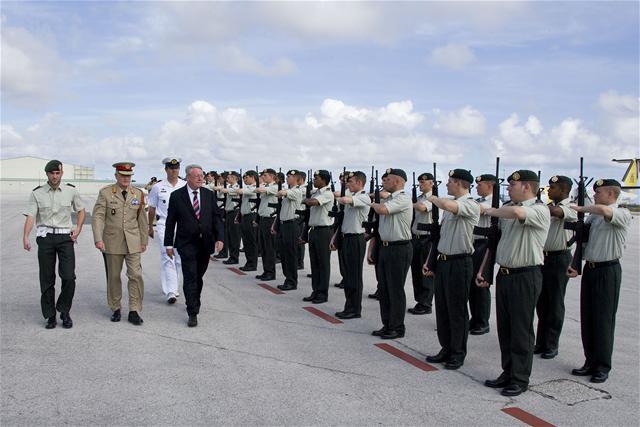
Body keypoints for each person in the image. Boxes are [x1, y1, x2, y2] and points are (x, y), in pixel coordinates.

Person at [477, 169, 550, 397]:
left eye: (512, 186)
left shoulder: (538, 210)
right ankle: (507, 372)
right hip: (505, 274)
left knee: (521, 329)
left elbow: (518, 212)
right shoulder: (508, 210)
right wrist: (484, 270)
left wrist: (490, 209)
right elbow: (495, 243)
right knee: (505, 329)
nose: (508, 189)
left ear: (526, 187)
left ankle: (519, 378)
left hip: (525, 275)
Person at [568, 179, 631, 384]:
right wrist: (575, 263)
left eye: (599, 192)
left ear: (611, 194)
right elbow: (583, 240)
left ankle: (602, 366)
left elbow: (603, 211)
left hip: (608, 270)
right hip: (591, 269)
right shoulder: (594, 216)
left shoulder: (620, 213)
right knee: (588, 318)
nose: (595, 194)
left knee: (603, 320)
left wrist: (580, 207)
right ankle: (590, 361)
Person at [424, 169, 480, 370]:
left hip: (460, 262)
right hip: (444, 261)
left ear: (460, 183)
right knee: (443, 308)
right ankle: (445, 348)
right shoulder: (450, 206)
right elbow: (441, 237)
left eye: (450, 181)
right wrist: (432, 261)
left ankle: (457, 352)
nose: (447, 184)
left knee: (457, 310)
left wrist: (429, 195)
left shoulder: (470, 204)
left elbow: (447, 204)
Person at [22, 160, 85, 329]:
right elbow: (30, 216)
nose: (55, 176)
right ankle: (50, 315)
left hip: (65, 238)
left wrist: (78, 228)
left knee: (68, 277)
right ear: (47, 174)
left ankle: (64, 310)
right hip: (46, 238)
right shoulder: (37, 193)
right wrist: (25, 237)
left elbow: (81, 210)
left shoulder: (71, 191)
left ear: (61, 174)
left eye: (58, 173)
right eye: (52, 173)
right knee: (47, 278)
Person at [164, 164, 224, 327]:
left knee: (198, 276)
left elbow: (216, 217)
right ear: (188, 177)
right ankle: (193, 311)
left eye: (202, 175)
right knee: (190, 276)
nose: (200, 178)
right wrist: (168, 244)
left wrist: (220, 238)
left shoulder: (208, 194)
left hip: (205, 243)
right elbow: (171, 221)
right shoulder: (177, 196)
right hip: (186, 243)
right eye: (196, 176)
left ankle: (194, 300)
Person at [92, 162, 148, 325]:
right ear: (116, 176)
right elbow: (98, 217)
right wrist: (98, 238)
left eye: (128, 176)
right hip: (112, 241)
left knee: (135, 275)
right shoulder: (106, 193)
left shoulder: (137, 193)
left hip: (133, 241)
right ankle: (115, 307)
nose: (126, 179)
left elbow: (142, 220)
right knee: (114, 276)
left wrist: (143, 240)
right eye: (122, 175)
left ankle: (134, 309)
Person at [534, 175, 577, 359]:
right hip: (544, 258)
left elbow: (557, 213)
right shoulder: (549, 206)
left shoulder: (571, 207)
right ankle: (541, 342)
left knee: (555, 303)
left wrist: (536, 205)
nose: (549, 191)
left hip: (560, 258)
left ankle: (551, 343)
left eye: (552, 188)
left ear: (563, 190)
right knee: (542, 302)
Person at [369, 168, 413, 339]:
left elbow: (383, 210)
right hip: (386, 247)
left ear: (397, 181)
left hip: (399, 248)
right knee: (384, 288)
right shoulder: (390, 198)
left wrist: (371, 202)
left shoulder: (402, 198)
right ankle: (387, 324)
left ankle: (397, 327)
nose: (384, 183)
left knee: (395, 289)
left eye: (387, 180)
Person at [147, 157, 187, 304]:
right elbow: (151, 208)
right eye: (171, 168)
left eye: (176, 168)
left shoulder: (185, 185)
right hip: (164, 224)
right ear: (166, 170)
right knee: (167, 255)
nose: (174, 170)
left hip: (182, 225)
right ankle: (170, 290)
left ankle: (174, 285)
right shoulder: (158, 187)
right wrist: (150, 226)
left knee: (179, 258)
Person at [332, 171, 370, 319]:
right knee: (348, 275)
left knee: (354, 276)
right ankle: (349, 306)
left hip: (356, 239)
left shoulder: (363, 197)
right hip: (346, 238)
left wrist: (341, 193)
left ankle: (354, 309)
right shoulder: (353, 196)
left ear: (360, 183)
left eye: (351, 182)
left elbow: (345, 201)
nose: (348, 184)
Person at [469, 174, 499, 335]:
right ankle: (474, 318)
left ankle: (482, 321)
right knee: (471, 285)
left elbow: (478, 210)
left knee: (481, 284)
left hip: (485, 245)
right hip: (475, 244)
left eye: (480, 184)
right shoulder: (479, 201)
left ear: (490, 186)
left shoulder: (494, 203)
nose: (477, 187)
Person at [301, 170, 335, 304]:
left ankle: (322, 293)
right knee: (315, 263)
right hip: (314, 230)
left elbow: (314, 202)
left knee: (323, 264)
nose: (314, 180)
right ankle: (315, 291)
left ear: (324, 180)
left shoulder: (327, 194)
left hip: (324, 231)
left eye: (317, 178)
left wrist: (306, 200)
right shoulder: (316, 193)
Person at [409, 172, 434, 315]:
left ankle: (426, 303)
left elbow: (423, 208)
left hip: (427, 239)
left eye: (423, 183)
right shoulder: (419, 198)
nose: (420, 185)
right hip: (416, 237)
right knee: (416, 271)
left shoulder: (432, 198)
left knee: (426, 272)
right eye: (419, 182)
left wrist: (410, 203)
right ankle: (419, 300)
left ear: (431, 183)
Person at [275, 170, 305, 291]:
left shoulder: (297, 191)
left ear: (296, 178)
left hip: (292, 224)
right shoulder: (290, 191)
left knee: (290, 254)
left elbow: (282, 192)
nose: (287, 178)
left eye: (289, 177)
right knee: (284, 253)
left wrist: (281, 191)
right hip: (284, 224)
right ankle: (287, 279)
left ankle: (292, 281)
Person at [255, 168, 279, 281]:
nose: (263, 177)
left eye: (265, 175)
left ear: (272, 176)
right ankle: (266, 270)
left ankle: (271, 272)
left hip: (270, 219)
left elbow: (258, 190)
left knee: (269, 247)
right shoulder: (266, 187)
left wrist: (261, 184)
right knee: (264, 247)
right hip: (263, 219)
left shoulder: (275, 187)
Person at [236, 170, 259, 271]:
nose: (245, 180)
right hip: (245, 216)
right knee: (246, 241)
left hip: (251, 216)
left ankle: (252, 264)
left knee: (251, 241)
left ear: (253, 177)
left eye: (246, 177)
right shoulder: (248, 188)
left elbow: (240, 191)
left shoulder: (255, 188)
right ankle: (249, 262)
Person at [218, 171, 242, 265]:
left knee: (235, 236)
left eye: (230, 177)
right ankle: (232, 256)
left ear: (235, 178)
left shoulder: (237, 187)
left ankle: (235, 257)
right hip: (228, 212)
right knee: (229, 235)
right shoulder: (229, 187)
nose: (227, 179)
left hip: (235, 212)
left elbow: (226, 191)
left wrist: (223, 188)